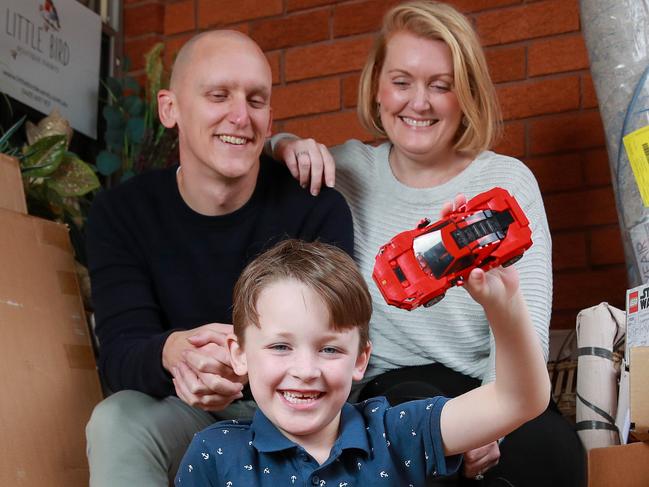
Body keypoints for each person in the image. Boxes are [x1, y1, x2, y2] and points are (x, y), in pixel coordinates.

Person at [268, 2, 585, 485]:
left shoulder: (505, 182)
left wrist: (489, 421)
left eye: (441, 85)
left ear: (466, 95)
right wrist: (286, 143)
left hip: (491, 382)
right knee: (417, 419)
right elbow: (259, 153)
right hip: (387, 387)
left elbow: (529, 331)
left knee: (555, 452)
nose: (419, 102)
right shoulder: (347, 171)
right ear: (376, 88)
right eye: (402, 82)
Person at [84, 30, 353, 487]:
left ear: (270, 120)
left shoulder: (314, 204)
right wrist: (174, 354)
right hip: (184, 408)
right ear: (171, 109)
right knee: (116, 419)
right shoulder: (121, 213)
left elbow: (332, 342)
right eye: (218, 95)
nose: (240, 116)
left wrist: (248, 362)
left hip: (299, 406)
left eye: (256, 100)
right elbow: (121, 349)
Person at [175, 239, 551, 486]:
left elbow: (519, 400)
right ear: (239, 353)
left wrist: (504, 306)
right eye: (280, 347)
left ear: (360, 359)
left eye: (329, 349)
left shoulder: (396, 432)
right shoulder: (215, 453)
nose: (306, 371)